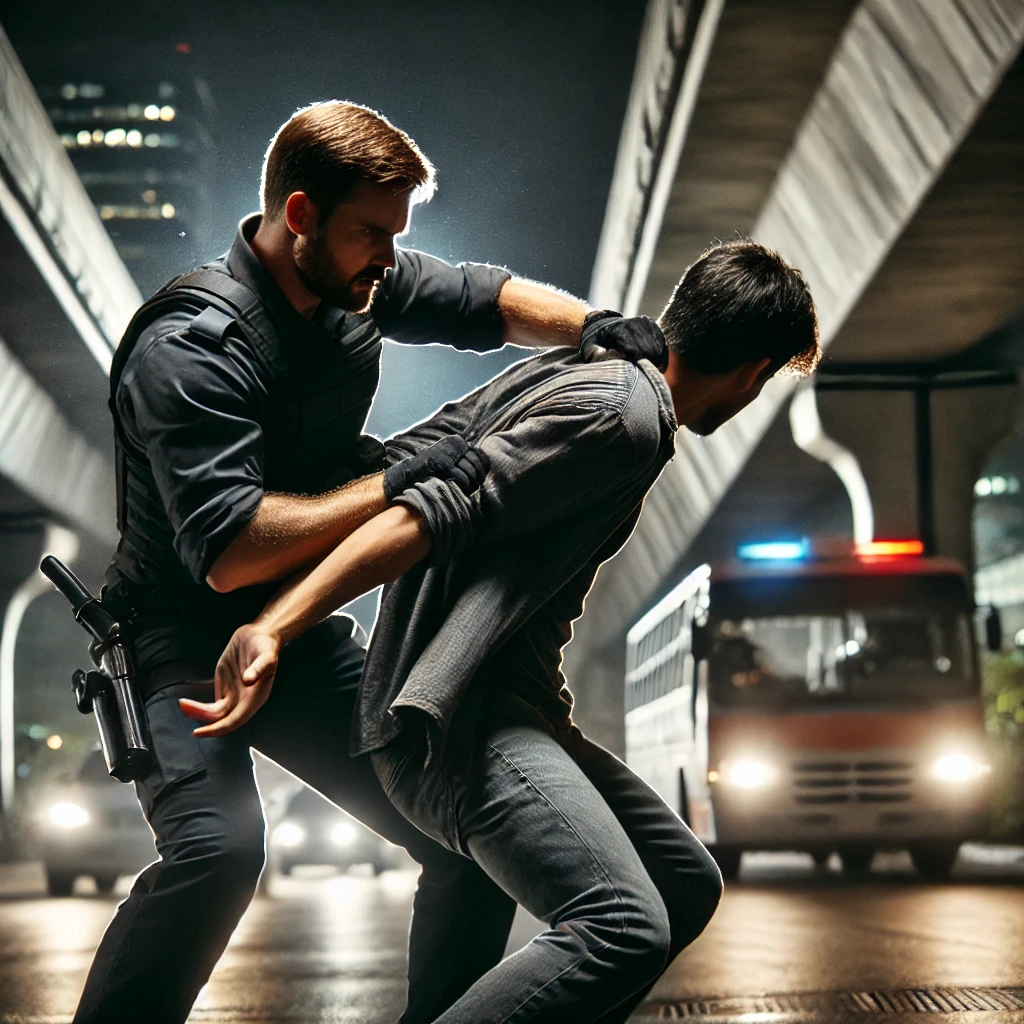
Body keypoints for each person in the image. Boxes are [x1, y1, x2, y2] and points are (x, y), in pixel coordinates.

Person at [75, 99, 666, 1024]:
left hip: (299, 631)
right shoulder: (190, 349)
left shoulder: (357, 277)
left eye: (397, 236)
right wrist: (397, 477)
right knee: (218, 852)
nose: (390, 258)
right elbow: (229, 553)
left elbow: (482, 298)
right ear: (299, 215)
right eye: (373, 233)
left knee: (461, 832)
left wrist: (597, 327)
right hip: (175, 643)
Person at [193, 239, 822, 1022]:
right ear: (754, 373)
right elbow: (428, 511)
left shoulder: (580, 378)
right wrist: (276, 625)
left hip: (516, 712)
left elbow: (416, 457)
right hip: (456, 721)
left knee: (684, 884)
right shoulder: (617, 414)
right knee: (623, 926)